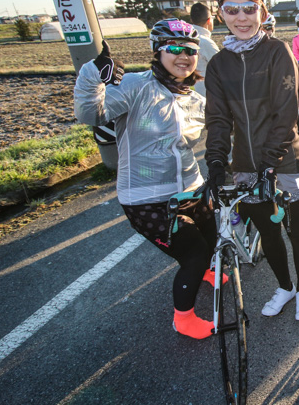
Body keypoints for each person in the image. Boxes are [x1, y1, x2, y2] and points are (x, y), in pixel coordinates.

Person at [74, 20, 218, 339]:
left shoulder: (193, 98)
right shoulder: (135, 86)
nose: (184, 56)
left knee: (211, 236)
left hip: (191, 188)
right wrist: (93, 74)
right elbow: (90, 114)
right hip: (146, 198)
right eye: (175, 49)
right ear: (157, 51)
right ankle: (184, 318)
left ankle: (208, 269)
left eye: (191, 50)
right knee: (192, 254)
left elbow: (222, 130)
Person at [203, 0, 299, 321]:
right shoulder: (219, 64)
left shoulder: (277, 51)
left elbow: (286, 113)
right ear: (220, 13)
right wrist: (217, 163)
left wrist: (269, 161)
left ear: (262, 12)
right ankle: (285, 287)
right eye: (231, 9)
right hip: (246, 168)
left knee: (297, 232)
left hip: (287, 163)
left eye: (249, 9)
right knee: (269, 233)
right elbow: (218, 119)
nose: (241, 17)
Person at [189, 2, 220, 97]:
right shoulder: (206, 43)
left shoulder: (189, 39)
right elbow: (223, 68)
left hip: (199, 92)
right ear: (209, 20)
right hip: (212, 96)